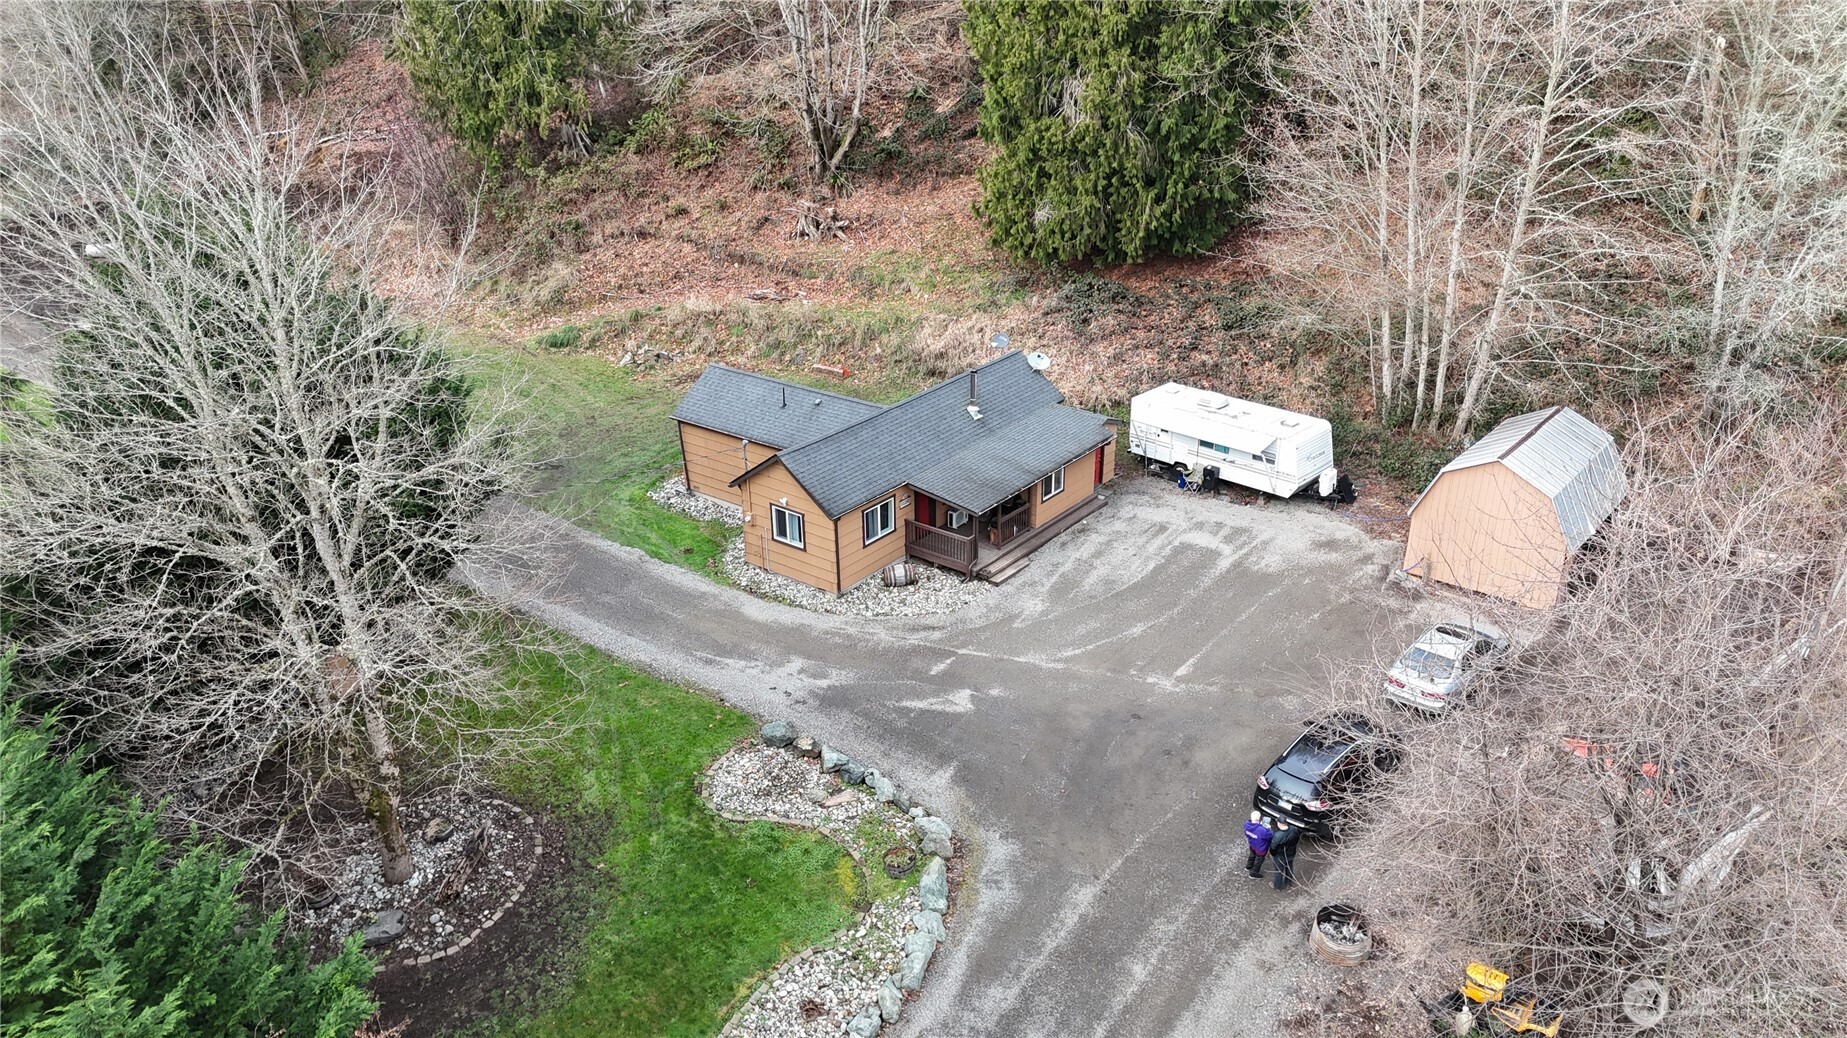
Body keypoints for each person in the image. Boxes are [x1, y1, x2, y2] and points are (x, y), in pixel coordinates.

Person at [1269, 819, 1301, 890]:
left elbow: (1273, 848)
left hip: (1280, 856)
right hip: (1291, 853)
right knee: (1289, 868)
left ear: (1279, 823)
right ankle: (1288, 883)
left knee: (1279, 871)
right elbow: (1297, 838)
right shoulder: (1293, 829)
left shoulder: (1277, 836)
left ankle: (1278, 887)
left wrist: (1273, 854)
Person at [1242, 811, 1272, 879]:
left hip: (1252, 845)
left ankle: (1248, 866)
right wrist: (1268, 829)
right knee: (1258, 861)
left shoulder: (1246, 825)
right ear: (1259, 819)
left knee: (1252, 855)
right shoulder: (1262, 830)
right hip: (1260, 849)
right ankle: (1253, 873)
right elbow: (1270, 835)